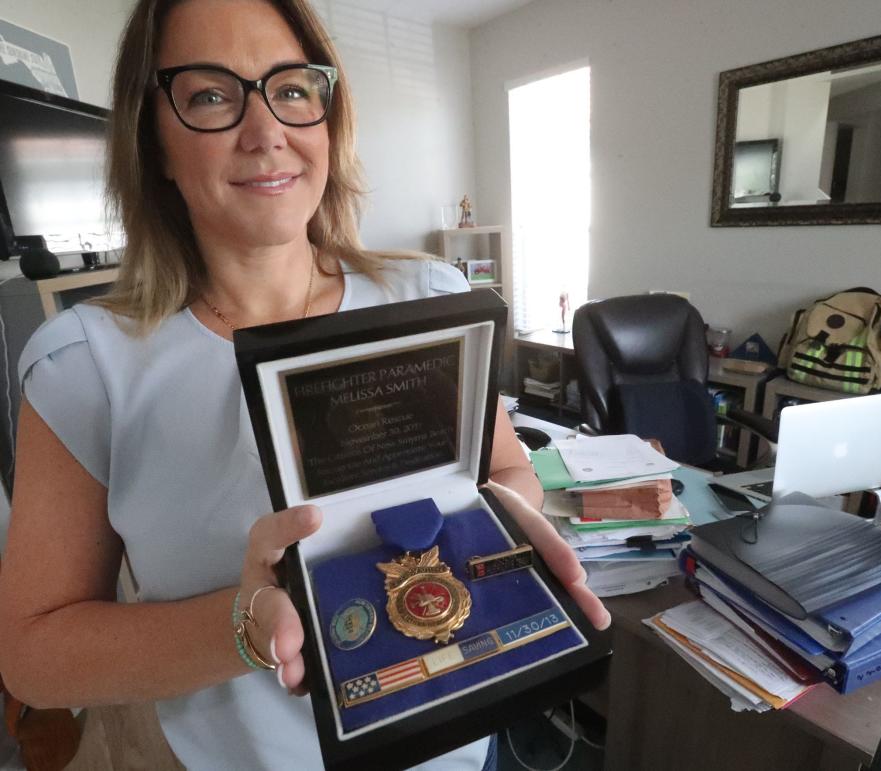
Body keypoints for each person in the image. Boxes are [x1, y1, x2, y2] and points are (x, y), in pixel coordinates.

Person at [0, 1, 609, 769]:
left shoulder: (428, 300)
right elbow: (34, 655)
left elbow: (506, 471)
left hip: (458, 747)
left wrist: (511, 523)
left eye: (291, 89)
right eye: (212, 94)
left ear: (328, 115)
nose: (266, 132)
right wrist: (244, 627)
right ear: (150, 137)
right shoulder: (83, 366)